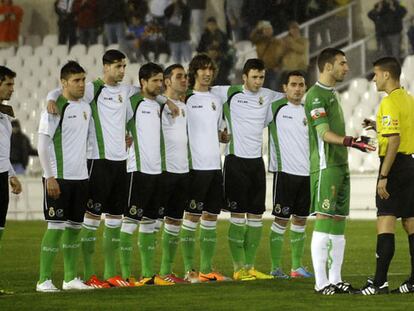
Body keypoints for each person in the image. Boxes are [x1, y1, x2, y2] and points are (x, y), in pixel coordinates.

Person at [304, 48, 375, 295]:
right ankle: (321, 283)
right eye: (342, 63)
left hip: (340, 165)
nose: (347, 68)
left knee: (338, 221)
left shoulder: (331, 94)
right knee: (324, 219)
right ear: (327, 67)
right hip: (326, 166)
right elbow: (323, 133)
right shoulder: (315, 95)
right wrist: (351, 142)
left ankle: (335, 279)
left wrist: (353, 141)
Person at [208, 58, 283, 281]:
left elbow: (294, 96)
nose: (258, 81)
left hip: (256, 163)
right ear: (244, 77)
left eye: (261, 77)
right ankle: (238, 267)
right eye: (254, 77)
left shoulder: (268, 95)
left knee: (256, 216)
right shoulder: (227, 93)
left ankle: (250, 267)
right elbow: (198, 91)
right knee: (238, 216)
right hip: (234, 161)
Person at [358, 57, 414, 295]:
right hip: (411, 164)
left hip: (395, 167)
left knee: (385, 220)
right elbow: (402, 130)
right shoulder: (409, 100)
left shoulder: (389, 103)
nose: (373, 79)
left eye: (376, 74)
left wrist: (383, 176)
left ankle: (379, 282)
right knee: (411, 222)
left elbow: (394, 140)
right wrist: (378, 125)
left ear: (387, 75)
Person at [36, 61, 93, 292]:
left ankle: (70, 279)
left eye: (82, 80)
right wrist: (50, 177)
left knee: (74, 227)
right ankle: (43, 280)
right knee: (56, 227)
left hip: (80, 177)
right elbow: (41, 145)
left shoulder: (86, 107)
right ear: (63, 83)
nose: (81, 85)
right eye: (76, 81)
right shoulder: (54, 106)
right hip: (58, 177)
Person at [119, 63, 173, 286]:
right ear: (142, 82)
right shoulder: (132, 101)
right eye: (155, 81)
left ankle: (148, 275)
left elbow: (161, 98)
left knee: (150, 223)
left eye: (161, 80)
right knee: (129, 223)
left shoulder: (160, 104)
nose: (160, 85)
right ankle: (123, 275)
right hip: (138, 170)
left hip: (157, 171)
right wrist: (123, 136)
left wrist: (166, 100)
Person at [180, 53, 229, 283]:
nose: (207, 73)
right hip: (194, 166)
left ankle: (207, 269)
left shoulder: (216, 100)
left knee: (211, 217)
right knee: (191, 216)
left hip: (214, 166)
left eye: (210, 69)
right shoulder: (185, 98)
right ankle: (189, 270)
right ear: (195, 72)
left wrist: (224, 135)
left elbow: (221, 132)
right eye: (203, 69)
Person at [267, 71, 313, 279]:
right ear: (284, 87)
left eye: (301, 85)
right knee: (281, 220)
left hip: (307, 174)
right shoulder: (274, 108)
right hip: (285, 173)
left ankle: (296, 267)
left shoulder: (309, 110)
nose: (298, 88)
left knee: (301, 220)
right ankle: (276, 267)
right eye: (293, 84)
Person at [158, 64, 189, 283]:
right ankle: (149, 273)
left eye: (186, 76)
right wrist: (164, 100)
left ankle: (166, 272)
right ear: (167, 81)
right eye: (179, 77)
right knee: (153, 222)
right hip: (163, 170)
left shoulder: (184, 105)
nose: (184, 80)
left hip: (182, 171)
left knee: (174, 221)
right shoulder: (157, 104)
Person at [0, 66, 21, 247]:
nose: (12, 88)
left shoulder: (5, 115)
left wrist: (11, 174)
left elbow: (2, 150)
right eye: (8, 84)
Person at [250, 20, 285, 91]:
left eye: (269, 29)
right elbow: (252, 37)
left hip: (274, 69)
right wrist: (258, 28)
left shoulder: (277, 41)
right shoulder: (259, 41)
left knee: (273, 89)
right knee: (263, 89)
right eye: (266, 29)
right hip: (263, 69)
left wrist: (279, 66)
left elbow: (282, 54)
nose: (268, 31)